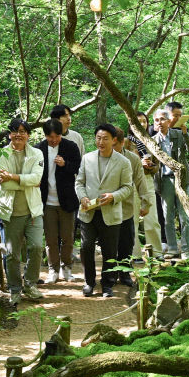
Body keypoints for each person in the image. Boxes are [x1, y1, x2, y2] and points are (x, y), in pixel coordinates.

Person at [75, 124, 133, 297]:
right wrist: (83, 197)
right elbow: (79, 182)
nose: (101, 142)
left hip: (110, 212)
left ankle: (108, 284)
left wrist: (114, 196)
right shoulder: (87, 158)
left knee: (110, 250)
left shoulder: (123, 162)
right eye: (98, 138)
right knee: (86, 248)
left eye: (105, 138)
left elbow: (127, 187)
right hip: (88, 212)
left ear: (114, 140)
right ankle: (88, 282)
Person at [0, 118, 45, 306]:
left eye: (23, 131)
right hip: (11, 212)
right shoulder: (1, 153)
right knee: (12, 254)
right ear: (9, 134)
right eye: (15, 131)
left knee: (37, 247)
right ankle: (15, 289)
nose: (19, 135)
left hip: (33, 210)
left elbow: (37, 178)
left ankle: (30, 284)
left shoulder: (37, 153)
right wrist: (25, 180)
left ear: (28, 135)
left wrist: (13, 177)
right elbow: (4, 183)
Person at [35, 119, 81, 283]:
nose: (54, 140)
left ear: (61, 134)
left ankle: (67, 268)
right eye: (50, 137)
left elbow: (78, 168)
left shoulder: (70, 147)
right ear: (45, 135)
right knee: (51, 239)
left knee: (68, 238)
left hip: (67, 200)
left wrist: (65, 164)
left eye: (57, 136)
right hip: (46, 201)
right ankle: (53, 270)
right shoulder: (38, 149)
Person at [153, 109, 189, 259]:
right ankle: (171, 247)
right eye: (157, 120)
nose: (160, 123)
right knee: (167, 216)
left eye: (162, 119)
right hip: (164, 181)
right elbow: (152, 163)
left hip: (181, 180)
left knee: (185, 216)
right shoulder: (152, 141)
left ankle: (185, 249)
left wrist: (186, 134)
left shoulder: (178, 134)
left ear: (169, 121)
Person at [113, 126, 151, 287]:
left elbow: (141, 182)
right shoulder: (98, 157)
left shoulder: (132, 159)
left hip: (127, 205)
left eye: (115, 144)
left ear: (123, 143)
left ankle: (125, 271)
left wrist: (146, 202)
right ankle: (110, 273)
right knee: (109, 241)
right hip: (107, 206)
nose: (111, 147)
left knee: (127, 240)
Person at [126, 113, 162, 260]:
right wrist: (138, 163)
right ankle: (134, 254)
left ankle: (156, 253)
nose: (142, 124)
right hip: (131, 182)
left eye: (144, 121)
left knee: (152, 218)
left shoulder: (151, 141)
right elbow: (123, 163)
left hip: (147, 180)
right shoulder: (126, 142)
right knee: (132, 218)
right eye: (138, 121)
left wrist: (150, 166)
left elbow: (157, 165)